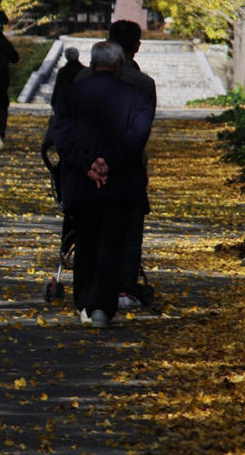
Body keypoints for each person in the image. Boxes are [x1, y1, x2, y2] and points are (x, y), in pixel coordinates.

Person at [51, 41, 153, 328]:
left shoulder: (70, 93)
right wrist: (109, 163)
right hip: (120, 181)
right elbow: (137, 136)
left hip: (81, 183)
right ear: (119, 65)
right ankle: (102, 308)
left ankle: (84, 303)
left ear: (92, 63)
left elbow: (62, 136)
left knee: (85, 242)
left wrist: (88, 167)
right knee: (112, 244)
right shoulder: (137, 95)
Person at [77, 20, 157, 310]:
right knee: (128, 228)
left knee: (87, 229)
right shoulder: (143, 84)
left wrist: (88, 161)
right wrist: (112, 162)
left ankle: (86, 290)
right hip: (125, 166)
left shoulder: (81, 80)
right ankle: (124, 287)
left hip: (84, 168)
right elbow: (140, 132)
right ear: (136, 47)